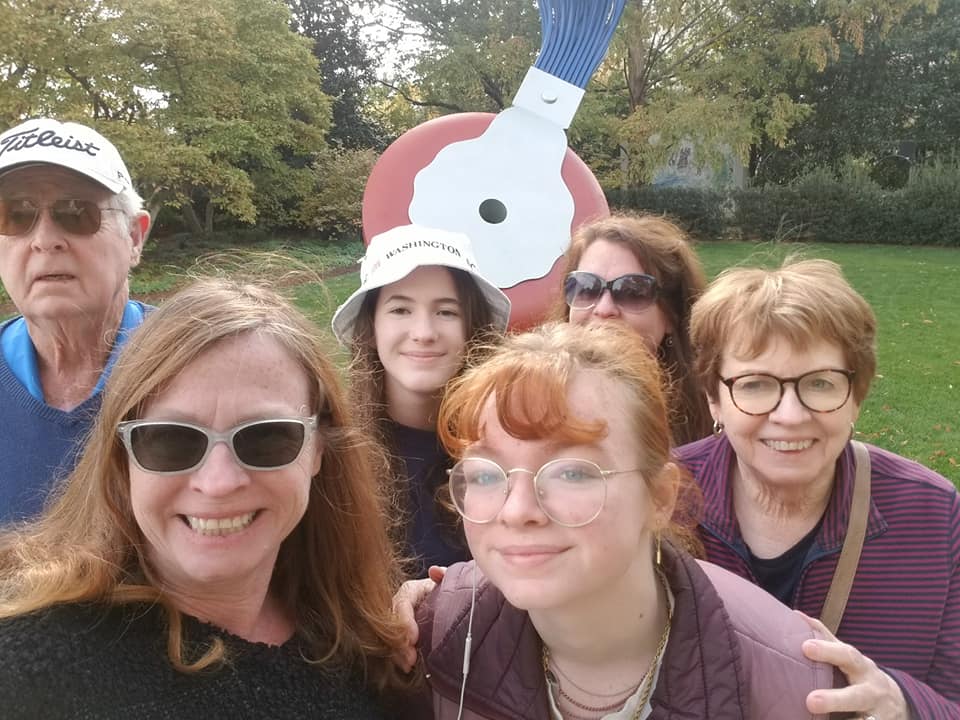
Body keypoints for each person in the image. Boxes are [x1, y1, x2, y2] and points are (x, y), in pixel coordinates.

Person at [0, 278, 408, 719]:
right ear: (122, 458)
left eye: (267, 438)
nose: (218, 483)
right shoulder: (27, 673)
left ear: (318, 450)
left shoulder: (359, 642)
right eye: (170, 440)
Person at [402, 321, 836, 719]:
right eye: (485, 474)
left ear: (659, 498)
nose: (516, 511)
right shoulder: (431, 637)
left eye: (572, 472)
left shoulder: (795, 690)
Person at [679, 258, 960, 719]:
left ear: (856, 396)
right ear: (714, 398)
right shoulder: (659, 500)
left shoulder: (932, 514)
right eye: (755, 385)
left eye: (820, 383)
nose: (790, 416)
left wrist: (903, 704)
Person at [331, 224, 511, 577]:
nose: (424, 333)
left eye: (446, 312)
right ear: (371, 327)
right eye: (400, 310)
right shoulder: (332, 457)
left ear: (472, 328)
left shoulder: (512, 448)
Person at [0, 117, 151, 522]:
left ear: (134, 237)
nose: (44, 240)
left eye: (75, 212)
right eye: (15, 215)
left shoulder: (196, 368)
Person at [552, 212, 711, 445]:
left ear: (672, 315)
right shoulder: (532, 403)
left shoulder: (715, 422)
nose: (604, 309)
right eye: (586, 287)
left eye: (632, 291)